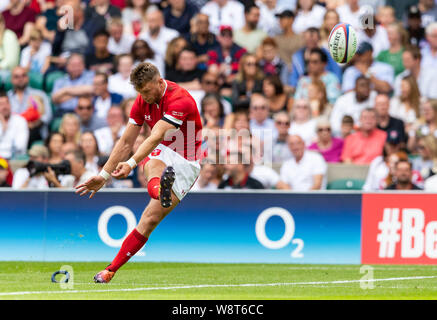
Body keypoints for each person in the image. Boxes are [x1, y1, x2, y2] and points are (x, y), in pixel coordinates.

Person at [75, 62, 203, 284]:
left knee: (150, 213)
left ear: (159, 82)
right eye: (139, 92)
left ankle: (159, 187)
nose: (143, 97)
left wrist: (131, 164)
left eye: (146, 91)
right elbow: (126, 141)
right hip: (163, 152)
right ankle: (109, 271)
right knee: (150, 203)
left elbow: (156, 136)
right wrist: (104, 176)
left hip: (186, 160)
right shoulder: (143, 100)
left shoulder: (179, 99)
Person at [7, 66, 52, 145]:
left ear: (27, 77)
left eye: (23, 75)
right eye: (16, 77)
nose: (20, 79)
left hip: (35, 131)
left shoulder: (40, 94)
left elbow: (47, 116)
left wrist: (33, 124)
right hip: (12, 131)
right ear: (11, 80)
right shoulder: (6, 98)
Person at [0, 90, 29, 159]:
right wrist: (3, 127)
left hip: (15, 159)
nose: (5, 107)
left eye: (7, 103)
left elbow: (20, 146)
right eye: (1, 104)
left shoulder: (20, 121)